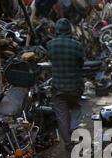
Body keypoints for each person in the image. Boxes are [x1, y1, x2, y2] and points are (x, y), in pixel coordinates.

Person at [47, 18, 85, 150]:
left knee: (62, 115)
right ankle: (74, 127)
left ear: (57, 30)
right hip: (75, 85)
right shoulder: (77, 44)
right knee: (75, 107)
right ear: (69, 29)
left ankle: (68, 143)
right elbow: (81, 63)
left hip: (58, 86)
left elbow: (50, 59)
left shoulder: (50, 44)